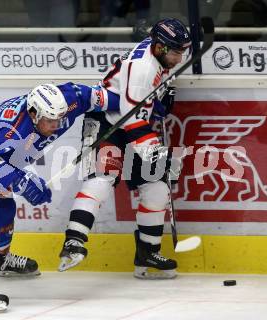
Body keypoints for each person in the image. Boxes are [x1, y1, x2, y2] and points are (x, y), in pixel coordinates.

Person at [0, 82, 119, 313]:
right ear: (33, 114)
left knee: (7, 208)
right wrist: (26, 185)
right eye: (49, 121)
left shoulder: (68, 99)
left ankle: (1, 259)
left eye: (60, 119)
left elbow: (98, 97)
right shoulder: (9, 131)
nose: (56, 126)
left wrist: (136, 102)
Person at [58, 18, 192, 280]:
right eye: (176, 52)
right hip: (107, 123)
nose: (180, 58)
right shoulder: (142, 68)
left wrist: (159, 99)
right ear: (161, 48)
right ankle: (73, 241)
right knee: (102, 179)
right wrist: (152, 150)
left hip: (132, 121)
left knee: (157, 187)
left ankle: (147, 255)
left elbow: (141, 104)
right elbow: (131, 117)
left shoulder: (158, 55)